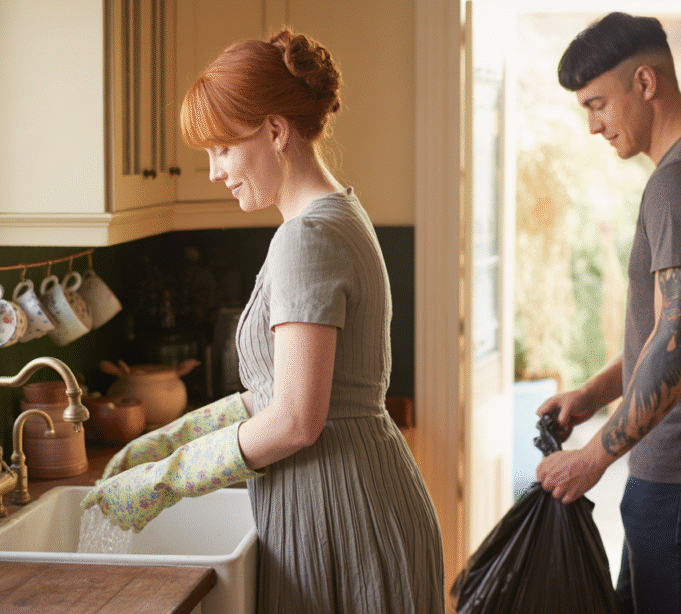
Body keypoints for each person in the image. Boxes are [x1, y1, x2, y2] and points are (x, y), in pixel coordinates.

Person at [82, 28, 445, 614]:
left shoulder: (308, 238)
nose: (214, 172)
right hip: (347, 493)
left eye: (223, 149)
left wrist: (164, 480)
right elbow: (277, 395)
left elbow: (298, 419)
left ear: (276, 131)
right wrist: (168, 439)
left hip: (337, 509)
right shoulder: (333, 214)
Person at [534, 12, 681, 614]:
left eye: (597, 104)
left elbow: (679, 343)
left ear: (645, 83)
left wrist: (593, 457)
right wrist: (589, 397)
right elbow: (671, 330)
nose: (593, 126)